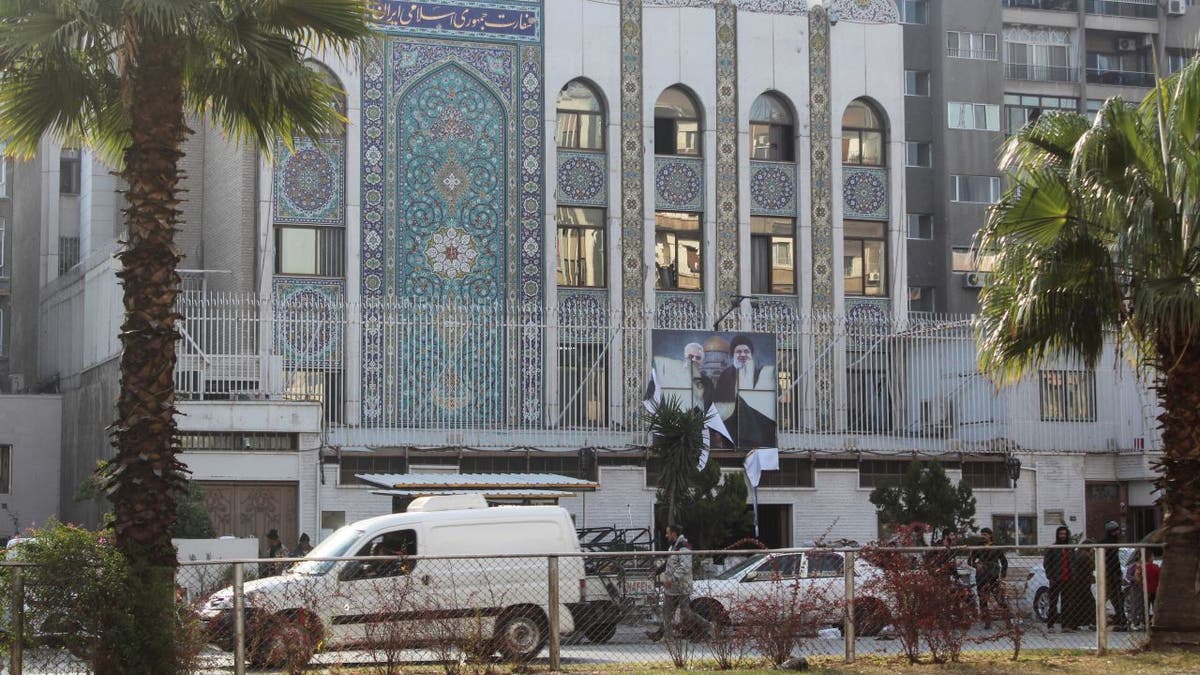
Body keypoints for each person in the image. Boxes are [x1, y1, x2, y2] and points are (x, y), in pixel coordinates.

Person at [648, 524, 712, 642]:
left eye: (668, 533)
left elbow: (685, 567)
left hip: (682, 587)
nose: (666, 536)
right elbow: (668, 563)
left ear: (674, 534)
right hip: (671, 588)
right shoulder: (673, 547)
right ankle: (668, 638)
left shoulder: (684, 547)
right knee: (667, 612)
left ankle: (708, 626)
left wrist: (671, 579)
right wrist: (657, 572)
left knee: (686, 613)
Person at [968, 527, 1009, 628]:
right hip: (981, 577)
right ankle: (987, 621)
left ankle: (1008, 621)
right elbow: (969, 561)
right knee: (983, 600)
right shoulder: (978, 547)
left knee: (999, 599)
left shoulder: (995, 547)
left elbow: (1004, 562)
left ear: (990, 535)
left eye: (985, 535)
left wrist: (1002, 577)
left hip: (993, 577)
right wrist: (976, 565)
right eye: (982, 534)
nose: (983, 537)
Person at [1043, 525, 1073, 631]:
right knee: (1053, 602)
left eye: (1064, 534)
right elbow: (1047, 563)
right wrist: (1050, 576)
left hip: (1067, 579)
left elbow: (1072, 563)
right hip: (1056, 579)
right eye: (1061, 534)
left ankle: (1065, 625)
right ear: (1057, 535)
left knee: (1066, 603)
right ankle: (1050, 625)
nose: (1063, 536)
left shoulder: (1070, 548)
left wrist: (1072, 575)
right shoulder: (1053, 548)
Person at [1103, 521, 1128, 628]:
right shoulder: (1110, 543)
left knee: (1114, 596)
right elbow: (1113, 560)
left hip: (1111, 572)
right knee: (1117, 596)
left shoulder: (1107, 543)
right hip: (1112, 573)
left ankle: (1120, 617)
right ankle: (1121, 618)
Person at [1127, 549, 1160, 630]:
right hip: (1142, 589)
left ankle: (1144, 622)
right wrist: (1136, 580)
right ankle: (1138, 622)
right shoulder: (1138, 566)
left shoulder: (1140, 567)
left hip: (1145, 589)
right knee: (1139, 605)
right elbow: (1129, 576)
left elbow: (1135, 576)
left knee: (1144, 606)